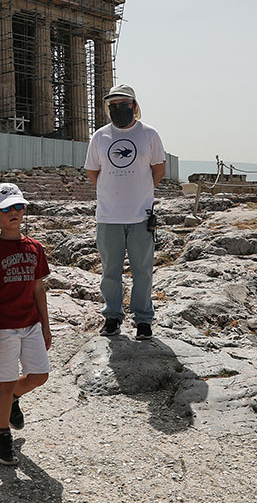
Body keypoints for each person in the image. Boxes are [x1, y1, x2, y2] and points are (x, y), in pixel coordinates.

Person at [0, 183, 51, 466]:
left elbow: (39, 289)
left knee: (40, 376)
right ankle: (2, 435)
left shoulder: (35, 248)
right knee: (5, 382)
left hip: (31, 324)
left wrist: (45, 326)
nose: (15, 212)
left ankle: (14, 399)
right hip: (4, 327)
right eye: (7, 209)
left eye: (19, 206)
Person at [84, 85, 166, 339]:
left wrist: (142, 191)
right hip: (109, 216)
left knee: (143, 271)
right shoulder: (100, 136)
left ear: (134, 105)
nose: (118, 108)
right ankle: (112, 317)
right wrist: (111, 191)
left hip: (141, 215)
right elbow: (92, 171)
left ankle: (143, 320)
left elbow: (159, 168)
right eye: (113, 105)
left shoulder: (149, 134)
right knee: (110, 270)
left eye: (123, 104)